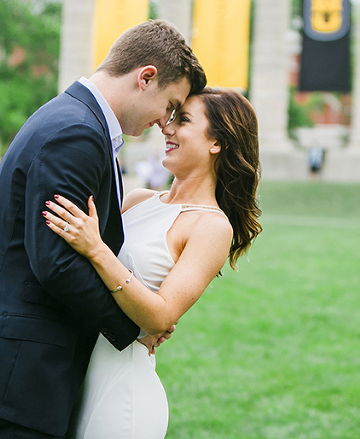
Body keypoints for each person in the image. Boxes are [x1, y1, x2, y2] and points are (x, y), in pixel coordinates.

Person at [0, 20, 206, 439]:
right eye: (169, 105)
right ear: (145, 77)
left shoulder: (72, 118)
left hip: (13, 369)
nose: (163, 121)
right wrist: (134, 328)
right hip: (17, 375)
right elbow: (56, 262)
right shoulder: (78, 132)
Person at [41, 88, 262, 438]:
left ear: (216, 143)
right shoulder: (138, 199)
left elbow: (160, 317)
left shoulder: (211, 226)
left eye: (183, 120)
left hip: (121, 394)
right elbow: (74, 259)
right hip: (71, 376)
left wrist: (98, 250)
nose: (166, 128)